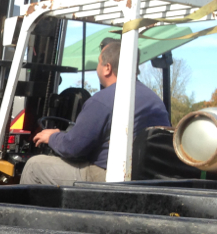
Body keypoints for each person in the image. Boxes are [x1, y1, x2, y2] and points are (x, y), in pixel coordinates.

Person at [20, 41, 170, 186]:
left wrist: (52, 137)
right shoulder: (154, 99)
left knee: (34, 166)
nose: (97, 67)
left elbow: (73, 147)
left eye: (99, 62)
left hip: (109, 176)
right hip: (145, 177)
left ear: (107, 68)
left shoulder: (104, 100)